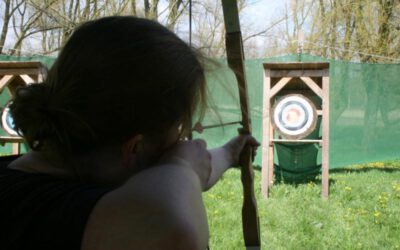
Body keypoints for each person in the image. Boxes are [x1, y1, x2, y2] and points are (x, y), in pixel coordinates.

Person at [0, 16, 259, 250]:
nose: (178, 144)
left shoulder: (20, 178)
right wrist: (181, 165)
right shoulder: (63, 214)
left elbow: (180, 176)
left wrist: (228, 153)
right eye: (177, 133)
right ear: (134, 148)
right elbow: (176, 229)